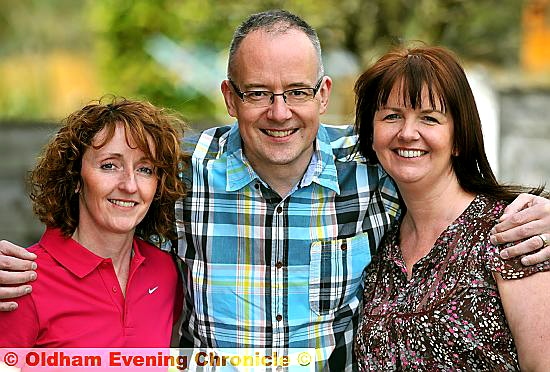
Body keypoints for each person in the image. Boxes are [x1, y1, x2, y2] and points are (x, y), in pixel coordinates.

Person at [1, 10, 550, 370]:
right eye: (258, 92)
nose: (280, 113)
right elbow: (100, 227)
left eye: (296, 92)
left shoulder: (374, 169)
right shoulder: (180, 178)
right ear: (228, 96)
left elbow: (448, 183)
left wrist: (542, 212)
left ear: (323, 92)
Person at [353, 45, 550, 370]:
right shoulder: (377, 242)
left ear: (458, 138)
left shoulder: (512, 231)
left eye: (429, 118)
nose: (407, 133)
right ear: (371, 135)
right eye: (392, 116)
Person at [0, 97, 186, 347]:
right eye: (110, 166)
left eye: (145, 169)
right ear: (75, 178)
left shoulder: (165, 271)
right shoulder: (22, 282)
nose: (129, 185)